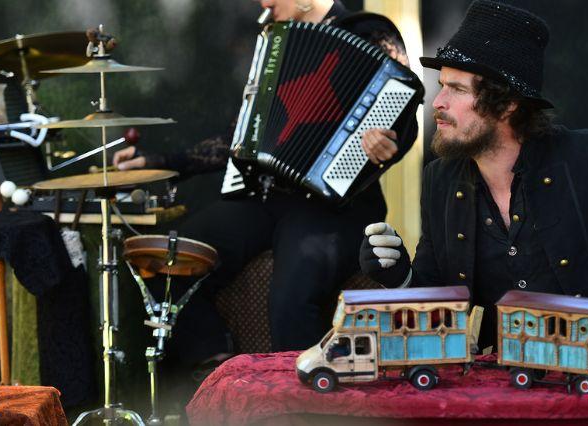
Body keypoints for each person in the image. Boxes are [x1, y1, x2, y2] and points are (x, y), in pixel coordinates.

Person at [359, 0, 588, 373]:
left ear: (507, 104)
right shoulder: (440, 179)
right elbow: (441, 298)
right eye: (442, 85)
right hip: (505, 387)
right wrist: (399, 278)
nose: (439, 101)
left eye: (457, 89)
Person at [113, 0, 417, 358]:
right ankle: (216, 367)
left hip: (337, 205)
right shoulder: (275, 44)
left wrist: (388, 142)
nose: (264, 3)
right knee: (170, 258)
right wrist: (161, 162)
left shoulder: (371, 32)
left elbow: (404, 112)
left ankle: (300, 404)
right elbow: (240, 138)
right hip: (270, 195)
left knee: (291, 299)